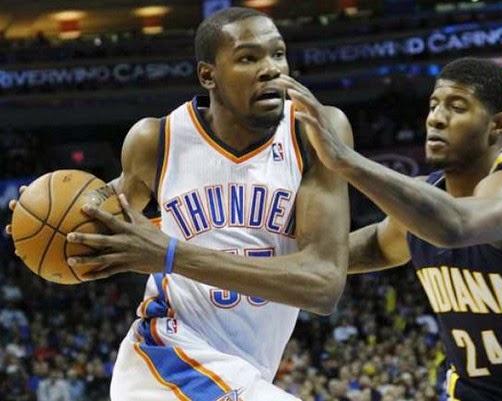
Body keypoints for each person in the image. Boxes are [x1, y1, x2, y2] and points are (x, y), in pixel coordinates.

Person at [7, 7, 351, 401]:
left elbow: (323, 285)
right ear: (208, 75)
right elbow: (93, 224)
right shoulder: (158, 141)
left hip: (240, 372)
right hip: (167, 362)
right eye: (248, 58)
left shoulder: (314, 134)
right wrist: (40, 221)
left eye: (278, 54)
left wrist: (170, 254)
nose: (271, 69)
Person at [281, 57, 502, 400]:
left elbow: (456, 224)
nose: (436, 118)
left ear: (497, 125)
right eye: (434, 105)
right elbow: (377, 247)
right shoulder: (424, 197)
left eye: (457, 107)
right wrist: (272, 253)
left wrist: (345, 159)